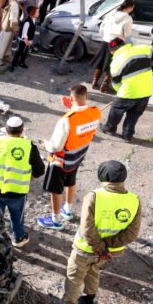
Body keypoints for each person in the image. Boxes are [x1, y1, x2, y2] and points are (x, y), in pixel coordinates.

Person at [49, 161, 140, 304]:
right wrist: (107, 248)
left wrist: (99, 248)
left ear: (102, 176)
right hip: (109, 252)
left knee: (75, 277)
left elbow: (87, 228)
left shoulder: (95, 196)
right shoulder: (134, 200)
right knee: (94, 271)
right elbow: (132, 233)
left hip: (85, 248)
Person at [37, 84, 101, 230]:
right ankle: (68, 209)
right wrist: (72, 108)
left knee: (56, 190)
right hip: (78, 156)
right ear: (87, 96)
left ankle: (55, 220)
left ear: (71, 98)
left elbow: (55, 147)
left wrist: (46, 144)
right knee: (71, 181)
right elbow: (80, 121)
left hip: (61, 160)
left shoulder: (66, 120)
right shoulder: (95, 111)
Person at [0, 116, 45, 248]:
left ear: (6, 129)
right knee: (17, 216)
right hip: (17, 192)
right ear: (22, 130)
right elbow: (40, 170)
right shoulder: (29, 146)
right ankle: (18, 238)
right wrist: (30, 177)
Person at [101, 39, 153, 141]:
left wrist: (120, 92)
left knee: (116, 110)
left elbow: (116, 84)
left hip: (128, 93)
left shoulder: (115, 63)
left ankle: (109, 128)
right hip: (146, 91)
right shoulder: (142, 48)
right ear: (124, 44)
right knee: (134, 114)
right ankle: (127, 134)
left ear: (112, 51)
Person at [92, 0, 134, 91]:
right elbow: (127, 33)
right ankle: (104, 86)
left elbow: (102, 27)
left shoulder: (111, 14)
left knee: (100, 62)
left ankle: (94, 82)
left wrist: (105, 37)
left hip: (106, 40)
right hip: (116, 43)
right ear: (130, 7)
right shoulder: (128, 18)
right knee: (113, 64)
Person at [0, 0, 21, 66]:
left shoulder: (10, 1)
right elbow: (13, 17)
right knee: (4, 42)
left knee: (8, 42)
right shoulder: (14, 4)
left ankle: (7, 55)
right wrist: (15, 28)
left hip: (7, 25)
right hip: (9, 26)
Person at [10, 5, 37, 72]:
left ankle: (21, 62)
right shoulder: (27, 21)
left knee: (25, 52)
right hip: (24, 40)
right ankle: (13, 64)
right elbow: (24, 32)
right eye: (37, 12)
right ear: (32, 12)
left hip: (27, 40)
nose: (38, 13)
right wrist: (26, 40)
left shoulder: (33, 19)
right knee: (19, 52)